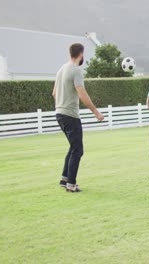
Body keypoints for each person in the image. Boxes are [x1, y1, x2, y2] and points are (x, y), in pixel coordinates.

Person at [52, 43, 104, 193]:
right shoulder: (76, 71)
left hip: (59, 114)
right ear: (81, 54)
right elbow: (82, 94)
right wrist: (96, 112)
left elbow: (54, 93)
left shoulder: (61, 69)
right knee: (78, 150)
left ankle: (64, 179)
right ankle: (71, 185)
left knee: (73, 147)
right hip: (70, 115)